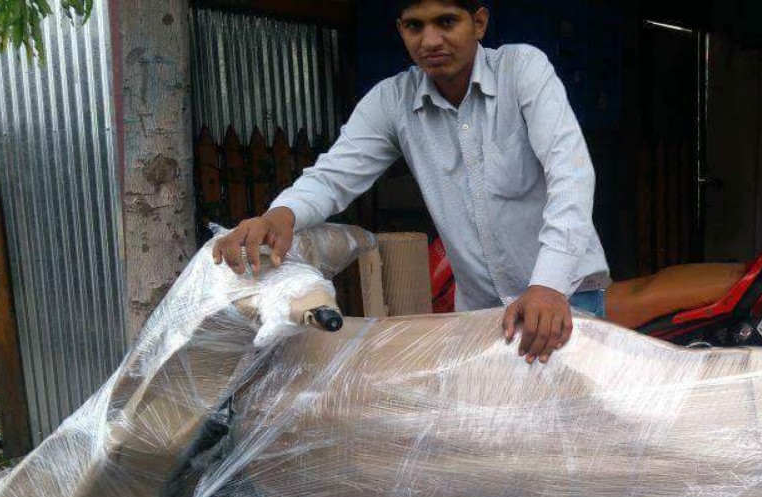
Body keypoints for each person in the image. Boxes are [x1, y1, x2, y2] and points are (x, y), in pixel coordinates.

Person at [213, 0, 610, 363]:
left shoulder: (522, 70)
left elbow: (570, 174)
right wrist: (280, 216)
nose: (430, 40)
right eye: (415, 26)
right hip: (482, 314)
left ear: (479, 23)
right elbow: (333, 176)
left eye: (446, 22)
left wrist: (548, 285)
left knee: (566, 420)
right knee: (488, 419)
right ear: (400, 29)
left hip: (564, 299)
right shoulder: (393, 101)